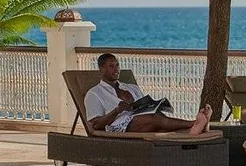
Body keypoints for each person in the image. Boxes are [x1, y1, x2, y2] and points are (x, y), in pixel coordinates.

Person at [84, 53, 212, 135]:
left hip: (141, 121)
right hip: (118, 126)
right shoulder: (94, 94)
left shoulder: (131, 88)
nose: (116, 69)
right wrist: (116, 111)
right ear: (101, 69)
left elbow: (143, 108)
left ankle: (193, 131)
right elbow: (95, 125)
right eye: (111, 66)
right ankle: (194, 123)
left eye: (117, 65)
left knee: (158, 121)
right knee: (154, 119)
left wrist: (153, 105)